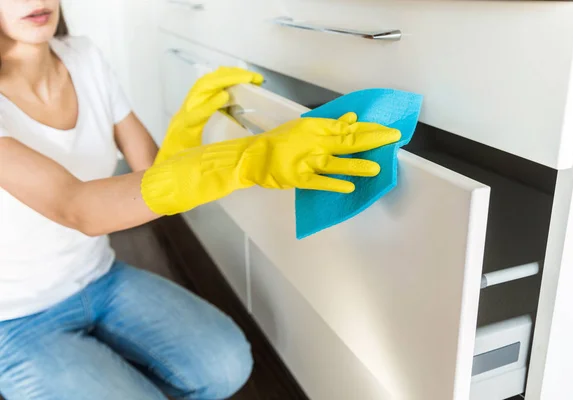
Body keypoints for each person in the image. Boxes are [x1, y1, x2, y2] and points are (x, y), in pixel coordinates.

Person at [0, 1, 400, 399]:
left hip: (99, 276)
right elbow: (78, 207)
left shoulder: (83, 57)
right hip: (14, 317)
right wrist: (243, 160)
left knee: (226, 365)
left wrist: (188, 124)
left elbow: (148, 172)